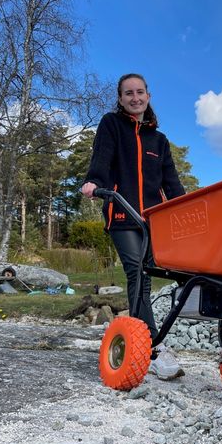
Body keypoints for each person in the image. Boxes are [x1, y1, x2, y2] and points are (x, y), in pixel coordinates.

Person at [81, 73, 186, 380]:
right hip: (122, 214)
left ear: (148, 97)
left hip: (151, 220)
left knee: (149, 274)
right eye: (129, 93)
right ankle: (151, 347)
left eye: (140, 92)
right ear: (121, 98)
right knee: (136, 270)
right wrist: (94, 182)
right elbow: (102, 157)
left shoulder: (160, 141)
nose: (135, 97)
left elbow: (172, 183)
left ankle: (143, 338)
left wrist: (186, 208)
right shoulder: (112, 125)